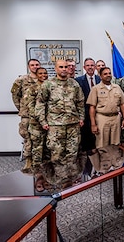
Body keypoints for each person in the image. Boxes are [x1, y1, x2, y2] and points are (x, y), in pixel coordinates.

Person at [35, 59, 85, 189]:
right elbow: (40, 103)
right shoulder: (48, 84)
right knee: (56, 153)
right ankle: (59, 180)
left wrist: (81, 118)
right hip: (55, 125)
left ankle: (70, 181)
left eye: (66, 67)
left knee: (72, 152)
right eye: (61, 67)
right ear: (56, 69)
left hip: (73, 125)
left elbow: (80, 102)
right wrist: (43, 121)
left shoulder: (74, 84)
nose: (63, 69)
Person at [11, 58, 41, 172]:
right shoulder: (21, 80)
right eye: (32, 65)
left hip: (41, 116)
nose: (35, 67)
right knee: (28, 137)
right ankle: (28, 161)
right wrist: (21, 108)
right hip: (27, 115)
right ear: (29, 67)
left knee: (40, 138)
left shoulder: (44, 79)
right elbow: (15, 95)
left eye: (37, 64)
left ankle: (40, 163)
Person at [87, 67, 124, 148]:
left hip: (115, 118)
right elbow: (92, 107)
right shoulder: (96, 89)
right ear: (100, 76)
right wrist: (93, 124)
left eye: (109, 73)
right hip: (102, 118)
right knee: (102, 145)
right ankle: (104, 160)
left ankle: (114, 160)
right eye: (105, 74)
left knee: (116, 144)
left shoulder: (117, 87)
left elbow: (122, 104)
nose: (108, 75)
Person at [75, 58, 101, 152]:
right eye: (88, 65)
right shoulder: (78, 81)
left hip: (99, 113)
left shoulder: (100, 79)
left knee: (99, 138)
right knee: (87, 140)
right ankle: (89, 159)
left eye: (92, 65)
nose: (90, 67)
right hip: (85, 114)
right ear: (84, 67)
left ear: (95, 67)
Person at [27, 67, 49, 173]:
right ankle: (37, 173)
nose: (43, 75)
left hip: (49, 123)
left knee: (47, 149)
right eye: (40, 73)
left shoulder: (50, 86)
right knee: (37, 149)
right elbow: (30, 106)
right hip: (36, 124)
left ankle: (46, 173)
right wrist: (40, 118)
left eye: (45, 73)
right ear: (36, 75)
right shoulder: (32, 88)